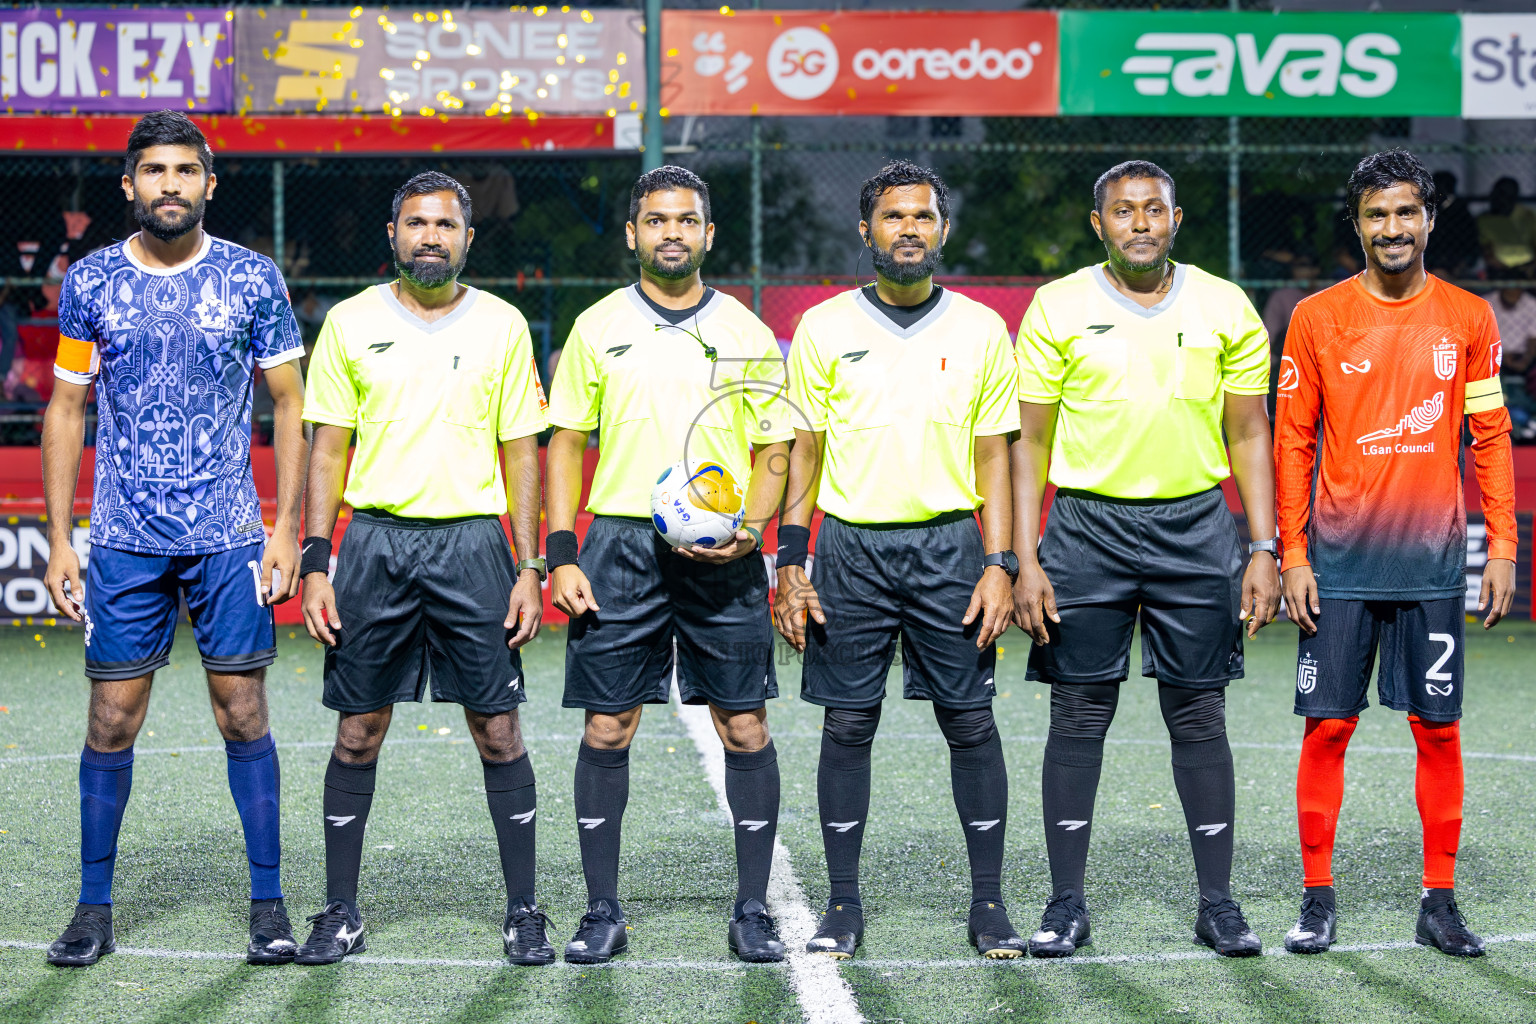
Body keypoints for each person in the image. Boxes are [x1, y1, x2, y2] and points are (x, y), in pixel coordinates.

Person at [40, 111, 307, 966]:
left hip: (229, 534)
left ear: (209, 184)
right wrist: (59, 539)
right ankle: (93, 907)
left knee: (243, 712)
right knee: (111, 718)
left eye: (185, 171)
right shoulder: (89, 282)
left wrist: (285, 529)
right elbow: (68, 408)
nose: (169, 185)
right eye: (153, 171)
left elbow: (292, 406)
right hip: (122, 537)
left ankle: (268, 905)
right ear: (129, 185)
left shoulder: (253, 280)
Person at [1012, 160, 1279, 959]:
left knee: (1199, 713)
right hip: (1085, 530)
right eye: (1122, 211)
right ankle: (1065, 904)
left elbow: (1249, 434)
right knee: (1079, 713)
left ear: (1176, 219)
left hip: (1195, 527)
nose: (1139, 223)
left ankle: (1219, 904)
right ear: (1099, 224)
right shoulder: (1056, 306)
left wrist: (1262, 546)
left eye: (1152, 210)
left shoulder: (1225, 305)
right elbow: (1030, 440)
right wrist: (1024, 555)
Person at [296, 171, 552, 966]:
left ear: (468, 239)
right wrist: (315, 559)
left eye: (445, 225)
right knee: (358, 730)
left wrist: (529, 564)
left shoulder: (503, 325)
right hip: (374, 544)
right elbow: (327, 449)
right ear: (393, 233)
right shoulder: (348, 321)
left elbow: (521, 452)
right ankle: (341, 910)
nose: (430, 236)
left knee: (498, 729)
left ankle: (524, 910)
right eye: (416, 223)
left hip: (475, 546)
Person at [545, 166, 793, 965]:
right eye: (657, 221)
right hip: (619, 545)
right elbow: (566, 442)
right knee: (609, 725)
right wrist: (561, 550)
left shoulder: (747, 332)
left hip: (724, 551)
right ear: (633, 233)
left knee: (744, 723)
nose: (672, 233)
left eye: (687, 220)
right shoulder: (596, 327)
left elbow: (774, 447)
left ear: (709, 233)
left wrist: (753, 530)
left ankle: (753, 908)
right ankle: (601, 910)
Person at [775, 160, 1022, 961]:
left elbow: (997, 457)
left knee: (970, 721)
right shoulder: (823, 327)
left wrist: (1002, 562)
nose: (908, 229)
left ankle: (989, 906)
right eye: (892, 217)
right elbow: (801, 451)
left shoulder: (982, 328)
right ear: (866, 231)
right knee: (848, 724)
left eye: (922, 217)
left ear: (942, 230)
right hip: (849, 547)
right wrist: (790, 557)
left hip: (950, 545)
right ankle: (843, 906)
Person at [1275, 150, 1517, 958]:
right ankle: (1316, 900)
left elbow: (1490, 437)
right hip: (1339, 565)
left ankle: (1438, 903)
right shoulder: (1316, 318)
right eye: (1377, 215)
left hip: (1433, 565)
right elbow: (1292, 442)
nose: (1392, 228)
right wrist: (1293, 553)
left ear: (1430, 219)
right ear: (1358, 225)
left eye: (1406, 212)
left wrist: (1503, 546)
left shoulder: (1470, 318)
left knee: (1438, 733)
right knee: (1327, 731)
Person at [1425, 171, 1479, 280]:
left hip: (1454, 262)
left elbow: (1471, 243)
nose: (1440, 191)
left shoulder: (1460, 211)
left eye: (1444, 187)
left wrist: (1460, 266)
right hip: (1430, 260)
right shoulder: (1427, 210)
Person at [1477, 176, 1536, 277]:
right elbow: (1487, 251)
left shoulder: (1528, 216)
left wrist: (1530, 267)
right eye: (1499, 194)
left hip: (1529, 268)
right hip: (1499, 269)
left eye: (1507, 195)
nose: (1501, 199)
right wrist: (1508, 270)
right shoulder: (1484, 220)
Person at [1482, 285, 1536, 375]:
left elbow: (1533, 340)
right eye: (1509, 289)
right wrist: (1500, 356)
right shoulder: (1485, 302)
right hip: (1492, 354)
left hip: (1523, 356)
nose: (1512, 293)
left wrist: (1525, 360)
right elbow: (1480, 338)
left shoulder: (1532, 304)